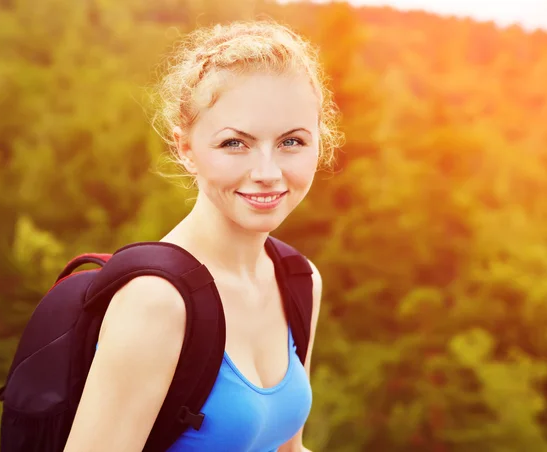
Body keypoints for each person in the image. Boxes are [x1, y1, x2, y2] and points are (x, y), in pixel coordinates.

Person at [63, 19, 343, 452]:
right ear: (186, 149)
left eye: (292, 142)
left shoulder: (299, 280)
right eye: (235, 143)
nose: (268, 173)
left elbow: (286, 449)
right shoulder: (156, 304)